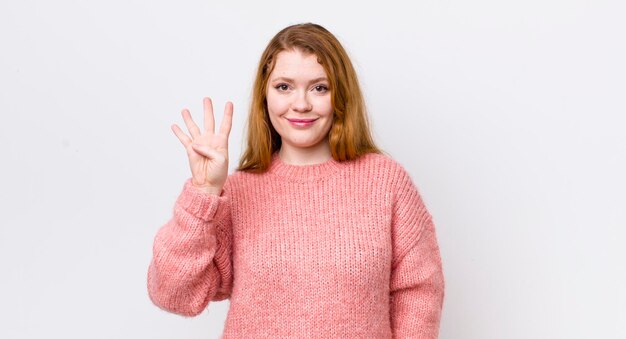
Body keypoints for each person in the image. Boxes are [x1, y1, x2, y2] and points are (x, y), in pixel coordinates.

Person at [147, 23, 445, 338]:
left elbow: (419, 290)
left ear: (340, 95)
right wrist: (203, 193)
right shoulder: (235, 194)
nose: (301, 104)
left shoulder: (386, 182)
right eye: (284, 87)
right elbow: (174, 295)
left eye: (319, 87)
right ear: (265, 95)